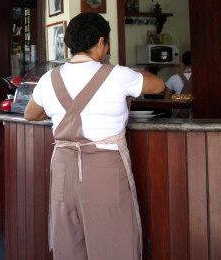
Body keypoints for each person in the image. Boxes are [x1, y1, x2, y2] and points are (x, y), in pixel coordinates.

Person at [24, 13, 164, 259]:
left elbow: (30, 114)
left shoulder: (49, 79)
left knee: (68, 240)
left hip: (63, 166)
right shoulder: (119, 75)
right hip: (104, 168)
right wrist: (133, 71)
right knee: (113, 241)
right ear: (101, 42)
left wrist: (61, 112)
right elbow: (158, 85)